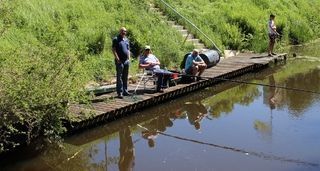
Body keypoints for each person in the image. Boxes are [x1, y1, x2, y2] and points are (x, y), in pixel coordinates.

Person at [112, 27, 131, 99]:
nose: (124, 32)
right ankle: (120, 93)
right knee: (119, 77)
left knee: (125, 76)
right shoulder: (116, 39)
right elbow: (113, 50)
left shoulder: (126, 39)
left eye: (125, 31)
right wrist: (117, 59)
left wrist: (129, 58)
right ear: (120, 31)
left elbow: (128, 49)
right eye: (123, 31)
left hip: (126, 61)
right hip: (120, 61)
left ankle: (125, 91)